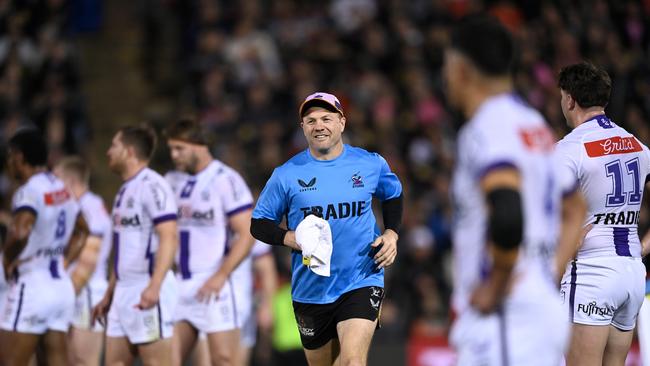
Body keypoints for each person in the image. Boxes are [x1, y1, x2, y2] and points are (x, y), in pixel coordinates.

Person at [442, 16, 585, 365]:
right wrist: (547, 274)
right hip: (531, 305)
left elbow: (506, 211)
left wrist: (498, 285)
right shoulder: (533, 122)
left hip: (506, 315)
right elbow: (576, 208)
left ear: (462, 70)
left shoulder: (488, 125)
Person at [251, 92, 403, 366]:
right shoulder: (286, 174)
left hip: (362, 277)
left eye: (326, 118)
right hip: (312, 289)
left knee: (352, 362)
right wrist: (290, 237)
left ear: (342, 122)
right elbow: (258, 224)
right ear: (303, 128)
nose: (318, 125)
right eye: (310, 120)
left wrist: (391, 233)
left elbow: (392, 194)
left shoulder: (369, 164)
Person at [555, 61, 650, 366]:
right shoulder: (638, 146)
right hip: (632, 272)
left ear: (570, 99)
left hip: (592, 273)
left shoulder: (570, 149)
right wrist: (645, 246)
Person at [163, 118, 256, 366]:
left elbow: (247, 233)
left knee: (223, 360)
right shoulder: (172, 181)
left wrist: (221, 275)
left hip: (214, 286)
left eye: (179, 148)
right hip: (180, 284)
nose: (174, 155)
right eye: (171, 149)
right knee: (167, 361)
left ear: (198, 145)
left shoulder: (225, 179)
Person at [0, 128, 89, 366]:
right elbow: (83, 230)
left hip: (32, 285)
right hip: (60, 286)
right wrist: (65, 261)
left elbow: (19, 232)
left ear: (19, 157)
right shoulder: (61, 187)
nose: (8, 162)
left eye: (10, 156)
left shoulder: (28, 191)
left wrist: (7, 260)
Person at [92, 125, 179, 366]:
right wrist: (110, 292)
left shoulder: (153, 185)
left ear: (129, 151)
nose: (108, 152)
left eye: (114, 146)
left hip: (147, 287)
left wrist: (154, 286)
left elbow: (169, 236)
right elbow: (123, 250)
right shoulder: (124, 191)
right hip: (123, 291)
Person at [53, 156, 112, 366]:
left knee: (84, 360)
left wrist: (62, 294)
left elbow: (89, 260)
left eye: (56, 179)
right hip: (71, 289)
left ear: (69, 182)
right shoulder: (71, 207)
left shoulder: (91, 208)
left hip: (86, 291)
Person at [231, 240, 278, 366]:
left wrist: (267, 306)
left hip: (240, 308)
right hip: (201, 301)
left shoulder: (250, 228)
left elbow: (266, 268)